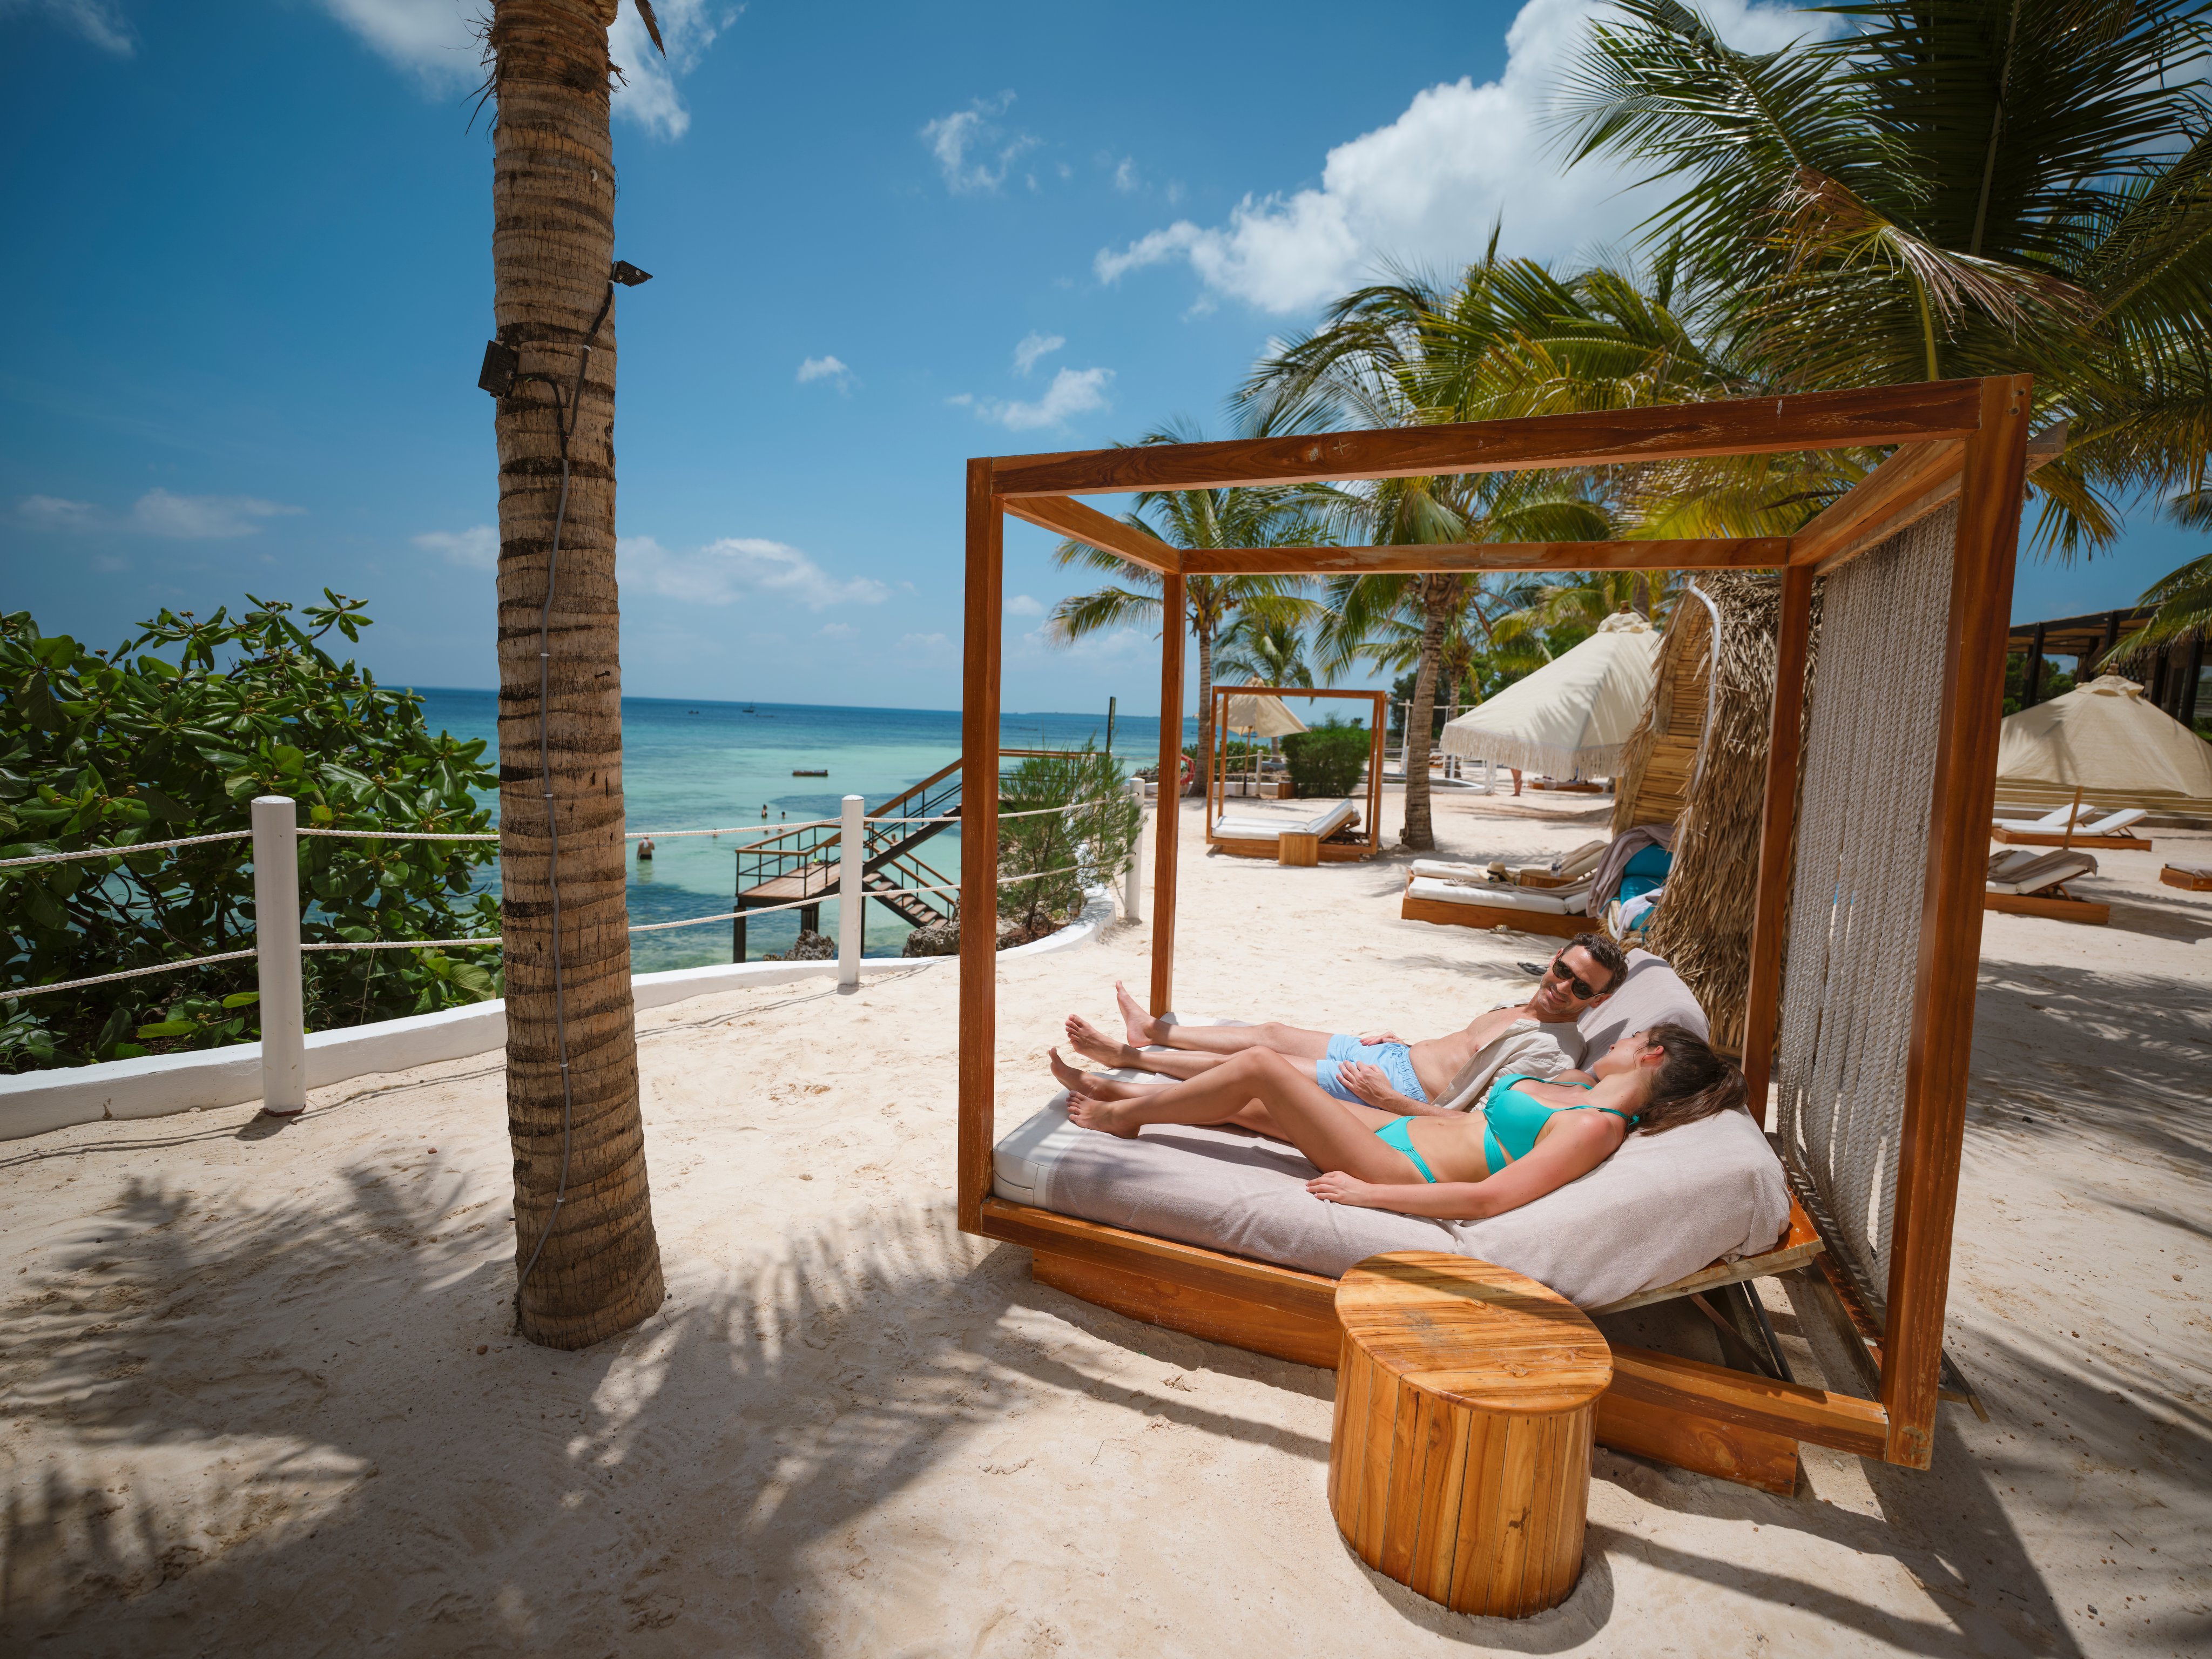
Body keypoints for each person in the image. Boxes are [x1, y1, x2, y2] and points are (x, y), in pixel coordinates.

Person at [1053, 1022, 1744, 1222]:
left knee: (1265, 1065)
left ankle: (1123, 1116)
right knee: (1255, 1103)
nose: (1617, 1043)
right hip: (1401, 1133)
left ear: (1651, 1055)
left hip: (1395, 1168)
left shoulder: (1598, 1125)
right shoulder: (1579, 1087)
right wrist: (1397, 1104)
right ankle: (1114, 1081)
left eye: (1633, 1039)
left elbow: (1491, 1197)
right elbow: (1470, 1124)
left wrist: (1370, 1193)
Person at [1062, 933, 1627, 1119]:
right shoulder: (1521, 1006)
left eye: (1582, 989)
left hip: (1395, 1089)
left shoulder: (1557, 1050)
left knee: (1263, 1065)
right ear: (1555, 957)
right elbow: (1464, 1053)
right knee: (1274, 1031)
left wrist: (1388, 1099)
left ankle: (1126, 1058)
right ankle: (1153, 1034)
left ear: (1596, 1000)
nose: (1563, 987)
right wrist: (1403, 1042)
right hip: (1395, 1057)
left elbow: (1475, 1121)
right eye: (1563, 971)